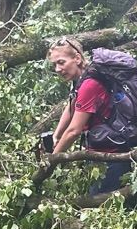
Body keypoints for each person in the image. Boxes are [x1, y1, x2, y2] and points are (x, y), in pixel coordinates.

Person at [47, 37, 132, 194]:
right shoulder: (82, 78)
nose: (57, 69)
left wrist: (51, 161)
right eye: (54, 65)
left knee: (102, 211)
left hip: (111, 158)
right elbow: (71, 104)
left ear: (77, 58)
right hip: (98, 153)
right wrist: (57, 135)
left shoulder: (90, 85)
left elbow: (74, 131)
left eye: (61, 62)